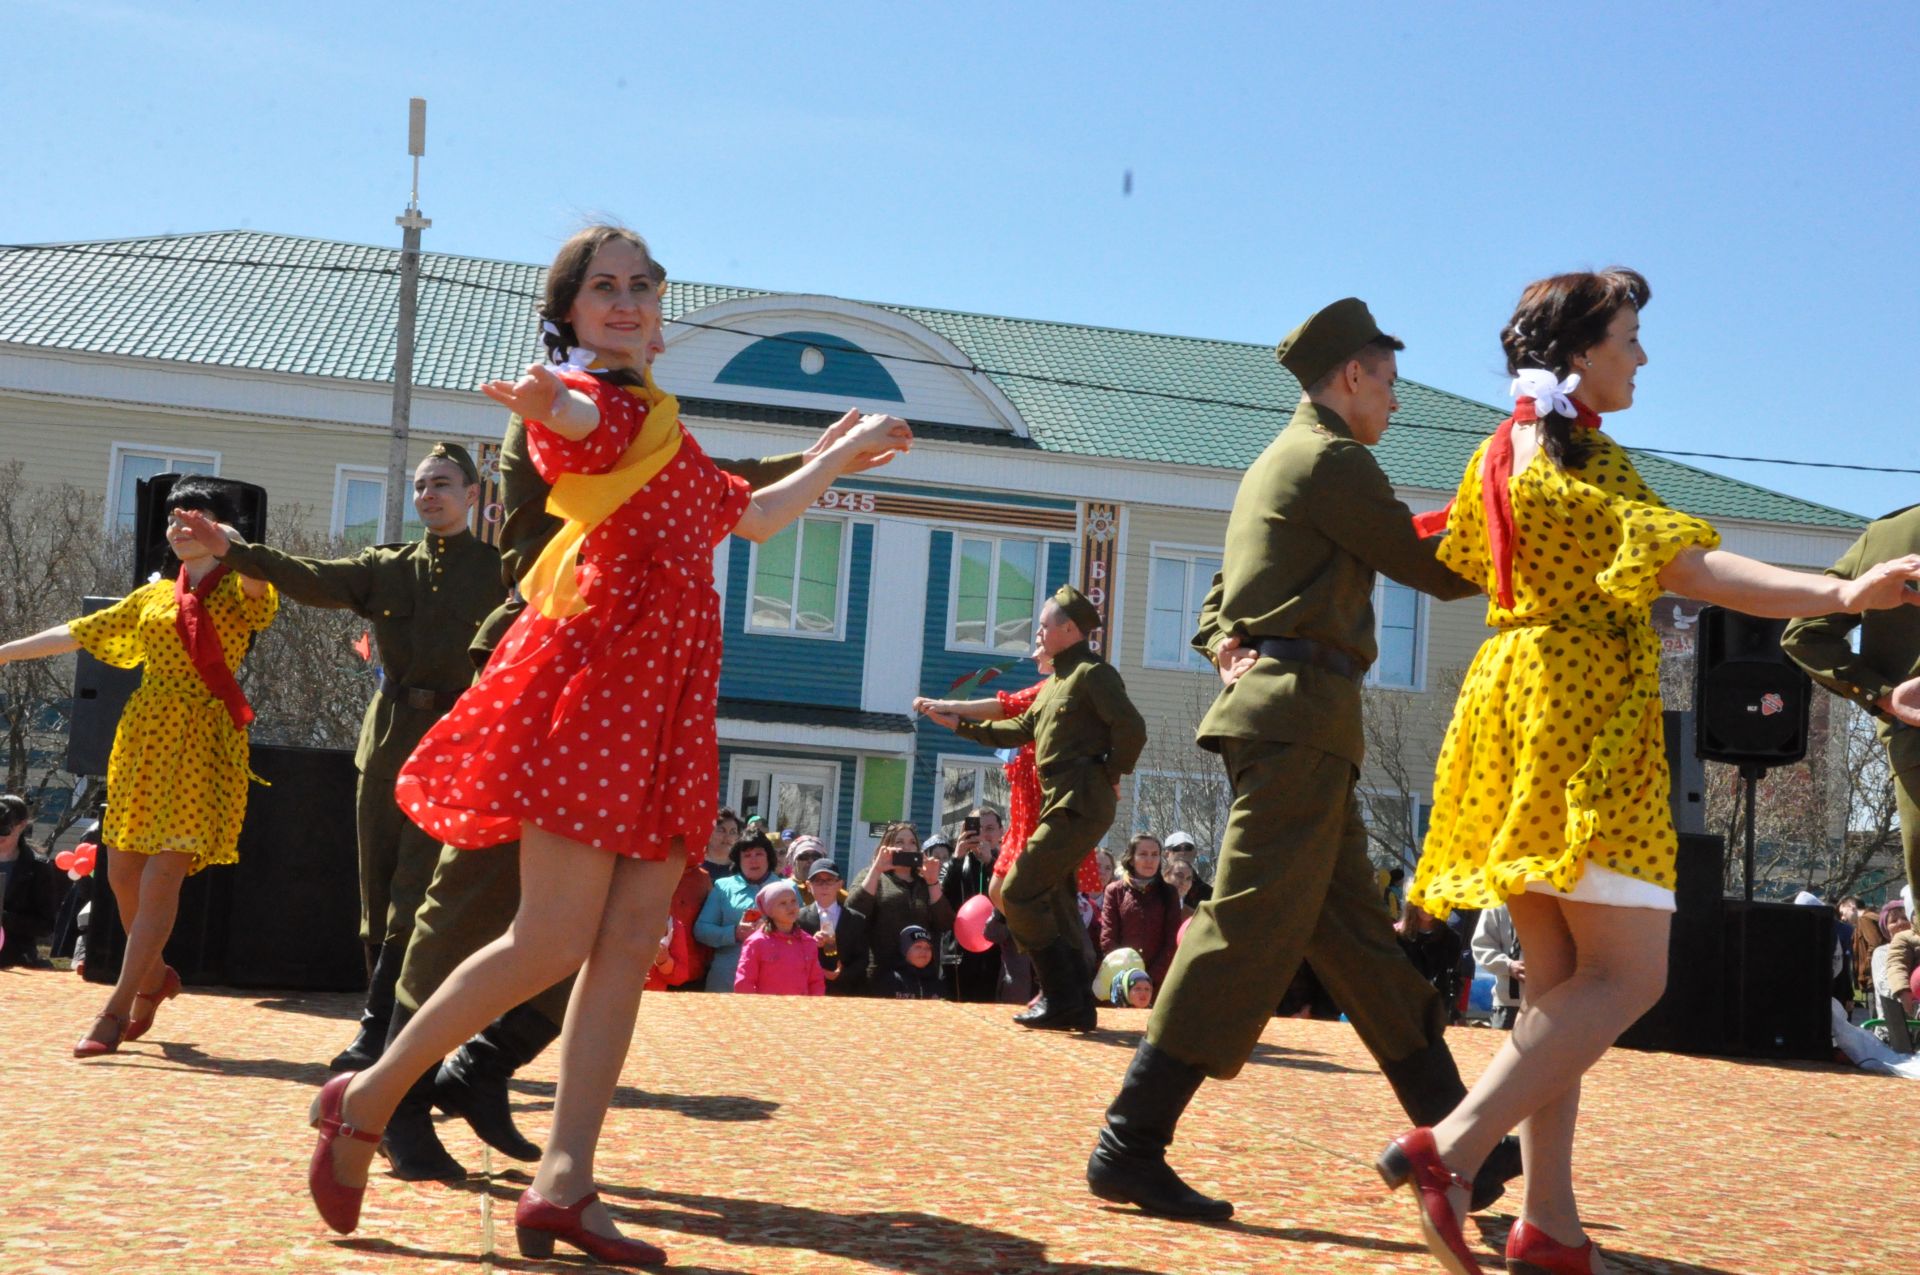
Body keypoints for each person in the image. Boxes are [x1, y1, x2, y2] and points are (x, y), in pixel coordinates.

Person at [302, 224, 910, 1265]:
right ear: (571, 312)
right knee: (549, 940)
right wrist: (551, 401)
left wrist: (844, 453)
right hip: (599, 696)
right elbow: (569, 421)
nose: (625, 301)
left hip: (672, 701)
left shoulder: (663, 426)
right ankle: (370, 1095)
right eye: (603, 289)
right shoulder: (590, 406)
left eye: (641, 286)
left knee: (631, 945)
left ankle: (565, 1181)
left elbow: (751, 518)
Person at [1379, 269, 1920, 1275]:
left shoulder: (1503, 449)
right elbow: (1692, 568)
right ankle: (1448, 1151)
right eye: (1629, 338)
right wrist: (1844, 588)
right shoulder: (1577, 461)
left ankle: (1551, 1224)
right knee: (1629, 975)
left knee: (1561, 992)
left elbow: (1458, 550)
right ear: (1581, 350)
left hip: (1513, 711)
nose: (1641, 356)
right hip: (1583, 720)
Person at [1085, 299, 1512, 1223]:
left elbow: (1220, 593)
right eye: (1389, 382)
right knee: (1239, 926)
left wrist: (1220, 640)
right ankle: (1131, 1140)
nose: (1396, 402)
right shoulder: (1332, 459)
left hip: (1295, 718)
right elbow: (1430, 564)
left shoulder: (1276, 462)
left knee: (1356, 941)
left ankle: (1469, 1140)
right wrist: (1525, 518)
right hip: (1299, 722)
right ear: (1351, 376)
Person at [180, 443, 505, 1074]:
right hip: (387, 743)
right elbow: (310, 576)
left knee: (416, 893)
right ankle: (383, 1021)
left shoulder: (498, 571)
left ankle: (384, 1027)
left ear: (471, 496)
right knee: (377, 893)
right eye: (420, 486)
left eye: (442, 484)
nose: (428, 495)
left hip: (457, 746)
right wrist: (233, 550)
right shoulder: (388, 567)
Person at [0, 476, 277, 1055]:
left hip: (204, 737)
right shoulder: (151, 597)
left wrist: (228, 540)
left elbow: (257, 581)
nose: (178, 529)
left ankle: (116, 1008)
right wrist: (3, 651)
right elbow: (75, 635)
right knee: (121, 873)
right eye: (173, 520)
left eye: (192, 518)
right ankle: (154, 978)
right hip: (146, 735)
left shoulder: (244, 586)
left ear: (221, 526)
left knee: (161, 875)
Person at [924, 585, 1146, 1030]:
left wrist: (1112, 773)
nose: (1039, 634)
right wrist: (960, 725)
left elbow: (1132, 728)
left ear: (1068, 629)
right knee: (1056, 899)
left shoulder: (1092, 674)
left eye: (1045, 625)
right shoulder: (1058, 681)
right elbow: (1020, 727)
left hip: (1080, 799)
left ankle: (1062, 997)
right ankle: (1076, 1005)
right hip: (1059, 803)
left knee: (1019, 891)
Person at [1782, 505, 1920, 897]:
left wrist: (1884, 697)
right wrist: (1886, 698)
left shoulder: (1894, 535)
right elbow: (1805, 635)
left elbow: (1805, 634)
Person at [847, 822, 952, 987]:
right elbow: (853, 911)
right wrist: (877, 869)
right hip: (882, 976)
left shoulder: (925, 881)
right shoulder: (872, 875)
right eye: (899, 842)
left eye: (912, 843)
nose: (906, 847)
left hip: (921, 978)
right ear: (886, 847)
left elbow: (944, 922)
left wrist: (932, 882)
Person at [694, 833, 779, 992]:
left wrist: (772, 930)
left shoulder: (786, 888)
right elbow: (701, 930)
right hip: (727, 980)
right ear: (739, 861)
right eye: (747, 855)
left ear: (769, 857)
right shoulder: (723, 887)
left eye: (759, 854)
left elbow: (799, 933)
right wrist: (734, 933)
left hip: (774, 980)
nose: (753, 860)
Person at [1099, 835, 1184, 988]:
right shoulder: (1115, 891)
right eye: (1143, 854)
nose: (1149, 860)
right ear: (1131, 859)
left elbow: (1172, 940)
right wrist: (1128, 977)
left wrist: (1149, 978)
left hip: (1158, 982)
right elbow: (1108, 938)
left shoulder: (1169, 893)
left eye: (1154, 855)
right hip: (1120, 980)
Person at [939, 810, 1003, 1002]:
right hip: (958, 957)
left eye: (990, 829)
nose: (983, 835)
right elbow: (941, 898)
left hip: (996, 957)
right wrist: (957, 858)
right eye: (977, 829)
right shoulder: (954, 863)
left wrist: (991, 863)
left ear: (1001, 832)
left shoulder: (1007, 865)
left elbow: (1009, 896)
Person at [734, 880, 826, 996]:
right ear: (770, 911)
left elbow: (816, 982)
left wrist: (815, 1007)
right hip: (767, 1011)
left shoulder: (808, 941)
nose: (790, 907)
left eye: (793, 901)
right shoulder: (756, 942)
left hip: (801, 1011)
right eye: (782, 903)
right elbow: (744, 983)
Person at [0, 796, 60, 968]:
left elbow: (46, 925)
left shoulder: (38, 867)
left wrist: (4, 919)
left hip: (16, 960)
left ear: (22, 825)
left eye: (6, 827)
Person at [797, 857, 868, 995]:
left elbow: (863, 958)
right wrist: (811, 943)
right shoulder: (799, 918)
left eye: (829, 880)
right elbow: (792, 956)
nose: (824, 886)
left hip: (846, 991)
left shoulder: (856, 919)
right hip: (808, 991)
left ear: (839, 884)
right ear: (808, 886)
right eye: (818, 881)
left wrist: (842, 974)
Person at [1470, 905, 1524, 1031]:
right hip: (1509, 1003)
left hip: (1548, 1004)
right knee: (1501, 1048)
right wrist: (1508, 965)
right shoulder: (1497, 906)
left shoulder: (1552, 903)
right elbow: (1481, 946)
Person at [881, 925, 946, 999]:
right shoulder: (891, 980)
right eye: (918, 946)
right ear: (904, 950)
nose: (924, 951)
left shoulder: (936, 983)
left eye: (928, 947)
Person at [1161, 831, 1212, 908]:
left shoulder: (1207, 893)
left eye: (1189, 848)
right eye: (1178, 848)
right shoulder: (1151, 890)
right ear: (1166, 854)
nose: (1184, 852)